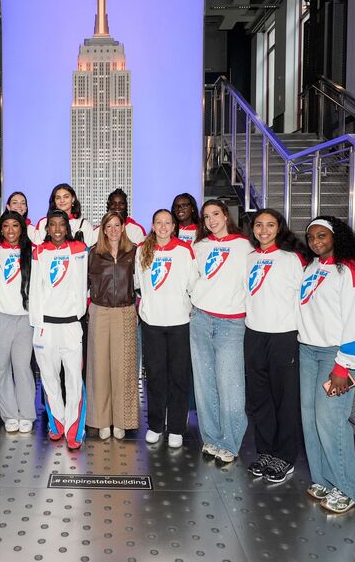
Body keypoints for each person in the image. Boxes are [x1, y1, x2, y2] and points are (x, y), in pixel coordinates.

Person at [299, 215, 355, 514]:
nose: (316, 241)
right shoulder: (313, 268)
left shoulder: (351, 272)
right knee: (311, 419)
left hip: (336, 356)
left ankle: (347, 488)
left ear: (336, 237)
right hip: (308, 351)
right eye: (311, 237)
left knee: (331, 421)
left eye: (322, 236)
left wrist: (344, 366)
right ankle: (323, 479)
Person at [244, 208, 310, 483]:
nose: (264, 230)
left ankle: (285, 457)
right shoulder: (249, 258)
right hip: (254, 334)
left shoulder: (292, 259)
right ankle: (265, 451)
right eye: (259, 225)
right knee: (260, 400)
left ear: (279, 228)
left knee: (285, 400)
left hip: (284, 336)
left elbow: (305, 298)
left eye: (270, 225)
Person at [189, 199, 251, 464]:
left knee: (230, 386)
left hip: (231, 323)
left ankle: (230, 442)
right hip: (201, 319)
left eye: (216, 214)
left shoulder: (245, 246)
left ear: (226, 216)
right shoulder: (199, 247)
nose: (211, 220)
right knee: (204, 385)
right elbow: (192, 280)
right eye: (206, 217)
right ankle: (211, 438)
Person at [135, 209, 197, 448]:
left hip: (180, 322)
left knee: (179, 377)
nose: (163, 227)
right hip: (152, 322)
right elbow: (138, 284)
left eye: (167, 223)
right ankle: (156, 425)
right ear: (152, 225)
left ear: (174, 226)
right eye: (158, 222)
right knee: (156, 376)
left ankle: (177, 428)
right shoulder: (143, 249)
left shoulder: (184, 250)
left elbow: (193, 283)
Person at [30, 209, 89, 449]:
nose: (56, 229)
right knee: (49, 378)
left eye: (61, 225)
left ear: (67, 228)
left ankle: (75, 430)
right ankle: (57, 425)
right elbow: (35, 289)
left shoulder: (79, 250)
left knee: (74, 379)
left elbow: (83, 284)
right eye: (52, 225)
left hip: (71, 325)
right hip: (45, 326)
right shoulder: (39, 252)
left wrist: (78, 316)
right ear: (47, 229)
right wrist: (38, 324)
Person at [86, 211, 139, 440]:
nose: (114, 230)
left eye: (118, 225)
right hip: (100, 311)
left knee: (123, 368)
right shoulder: (93, 253)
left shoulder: (134, 251)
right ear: (103, 229)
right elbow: (84, 283)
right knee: (99, 367)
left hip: (125, 311)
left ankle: (122, 421)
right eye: (109, 226)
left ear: (123, 227)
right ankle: (101, 420)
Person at [0, 210, 37, 433]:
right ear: (0, 229)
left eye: (15, 226)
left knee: (22, 367)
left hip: (25, 318)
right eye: (6, 226)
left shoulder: (31, 252)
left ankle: (26, 413)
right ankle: (9, 414)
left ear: (22, 228)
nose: (10, 230)